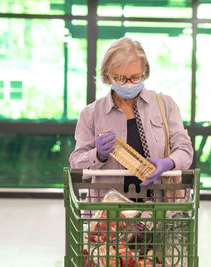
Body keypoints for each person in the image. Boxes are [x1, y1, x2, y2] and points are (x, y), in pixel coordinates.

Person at [69, 37, 194, 201]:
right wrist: (97, 155)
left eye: (135, 77)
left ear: (145, 72)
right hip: (108, 214)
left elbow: (185, 150)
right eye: (120, 78)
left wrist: (169, 162)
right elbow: (75, 164)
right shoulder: (91, 113)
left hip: (157, 210)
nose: (128, 84)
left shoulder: (165, 105)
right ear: (107, 74)